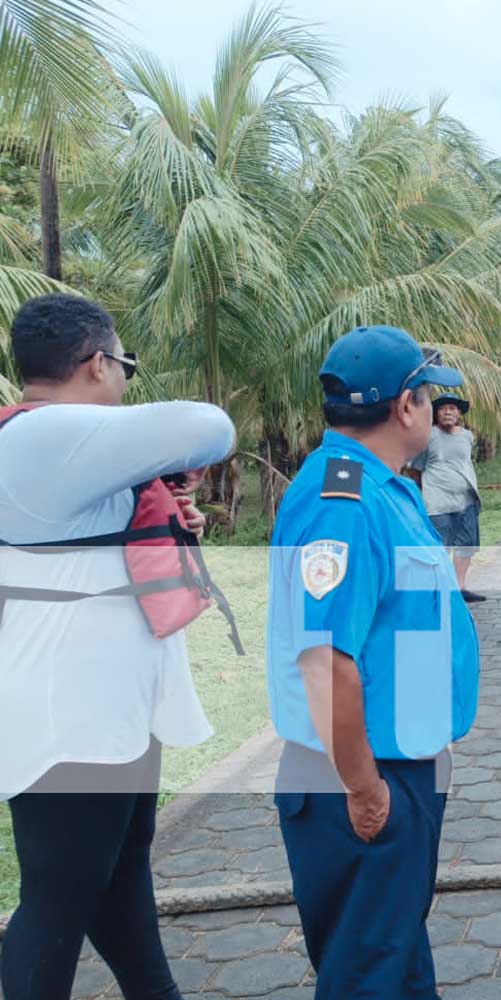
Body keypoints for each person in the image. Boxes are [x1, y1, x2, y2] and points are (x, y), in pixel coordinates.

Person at [0, 293, 235, 998]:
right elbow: (209, 424)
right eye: (124, 364)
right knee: (60, 896)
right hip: (69, 711)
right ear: (99, 363)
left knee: (117, 872)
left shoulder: (58, 443)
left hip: (107, 703)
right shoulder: (45, 434)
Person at [266, 325, 481, 999]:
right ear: (406, 406)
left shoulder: (380, 487)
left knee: (393, 956)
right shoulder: (347, 504)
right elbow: (326, 660)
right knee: (368, 972)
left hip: (392, 763)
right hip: (361, 775)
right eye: (425, 391)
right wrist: (364, 790)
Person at [408, 392, 486, 603]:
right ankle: (440, 589)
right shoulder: (428, 436)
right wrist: (426, 494)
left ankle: (460, 588)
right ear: (436, 414)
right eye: (443, 408)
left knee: (466, 545)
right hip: (438, 503)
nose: (448, 412)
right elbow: (415, 470)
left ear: (459, 413)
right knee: (440, 546)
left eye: (453, 408)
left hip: (467, 499)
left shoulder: (467, 436)